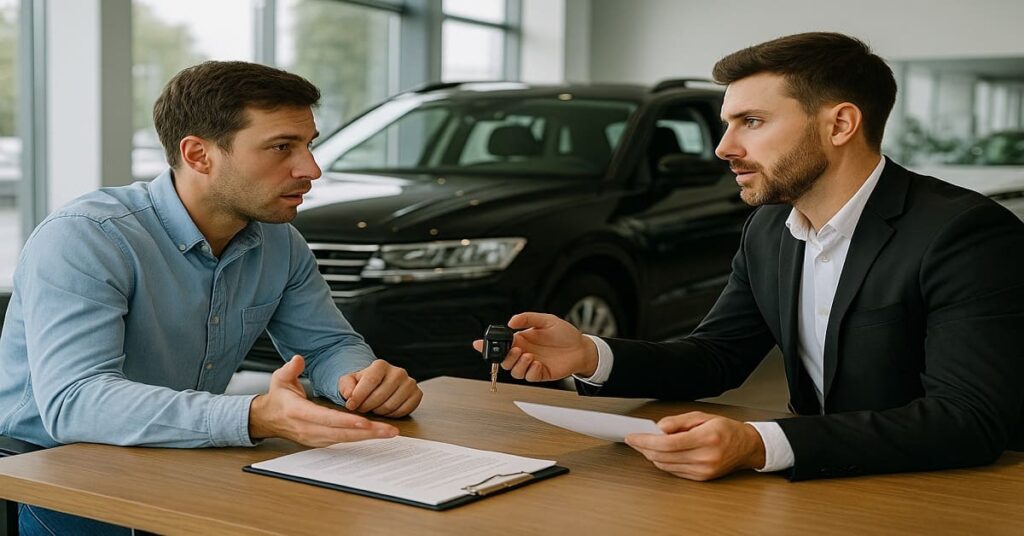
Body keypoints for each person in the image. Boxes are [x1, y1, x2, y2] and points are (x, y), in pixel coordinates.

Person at [477, 32, 1024, 481]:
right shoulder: (767, 229)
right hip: (825, 483)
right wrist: (590, 355)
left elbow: (968, 421)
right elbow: (717, 355)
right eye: (727, 124)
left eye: (752, 122)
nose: (723, 148)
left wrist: (759, 443)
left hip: (945, 492)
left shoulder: (966, 234)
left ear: (839, 125)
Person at [0, 61, 422, 533]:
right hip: (52, 467)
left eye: (309, 144)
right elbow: (76, 402)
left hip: (180, 452)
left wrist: (360, 381)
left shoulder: (279, 241)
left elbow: (326, 345)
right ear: (199, 155)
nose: (311, 169)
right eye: (282, 147)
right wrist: (255, 415)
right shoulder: (88, 237)